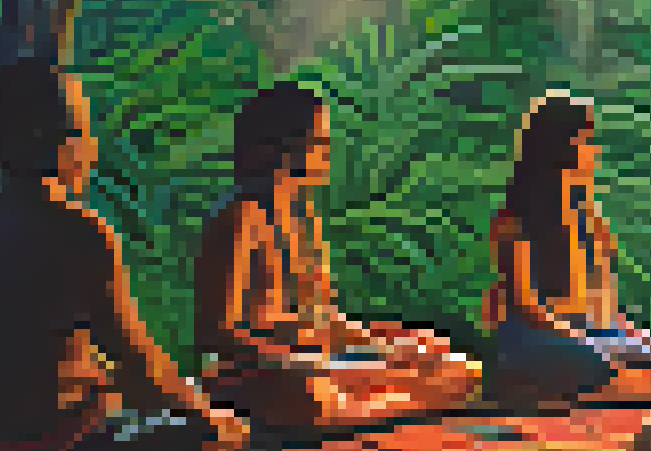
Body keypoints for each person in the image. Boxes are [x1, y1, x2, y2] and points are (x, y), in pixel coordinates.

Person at [0, 62, 245, 451]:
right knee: (207, 441)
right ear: (65, 143)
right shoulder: (78, 227)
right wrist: (205, 412)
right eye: (86, 133)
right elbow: (140, 369)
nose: (92, 149)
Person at [196, 82, 481, 431]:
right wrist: (298, 360)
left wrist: (389, 344)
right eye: (318, 142)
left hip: (323, 361)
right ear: (283, 146)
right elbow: (218, 335)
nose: (327, 153)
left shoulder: (305, 219)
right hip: (263, 371)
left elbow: (323, 318)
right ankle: (377, 407)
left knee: (456, 366)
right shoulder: (242, 216)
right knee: (313, 392)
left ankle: (374, 406)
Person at [482, 93, 651, 405]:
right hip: (538, 334)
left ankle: (596, 385)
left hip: (591, 330)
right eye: (587, 140)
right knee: (618, 373)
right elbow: (529, 306)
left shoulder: (589, 216)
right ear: (561, 146)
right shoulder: (515, 218)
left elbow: (606, 305)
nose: (595, 150)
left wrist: (645, 342)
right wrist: (596, 344)